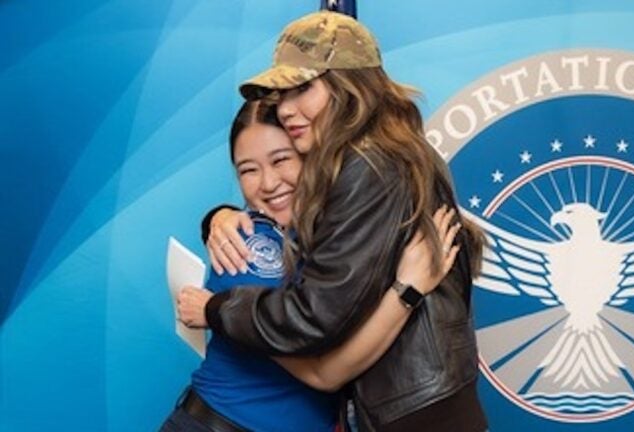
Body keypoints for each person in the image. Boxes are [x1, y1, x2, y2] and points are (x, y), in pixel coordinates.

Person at [178, 10, 487, 431]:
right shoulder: (402, 154)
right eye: (247, 169)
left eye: (302, 88)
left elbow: (313, 320)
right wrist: (220, 216)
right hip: (427, 402)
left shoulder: (370, 165)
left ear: (350, 85)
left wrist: (216, 309)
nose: (286, 109)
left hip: (413, 409)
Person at [165, 101, 460, 432]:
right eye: (248, 170)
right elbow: (325, 373)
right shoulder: (248, 243)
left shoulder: (334, 236)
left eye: (281, 160)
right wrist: (409, 287)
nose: (268, 183)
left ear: (314, 155)